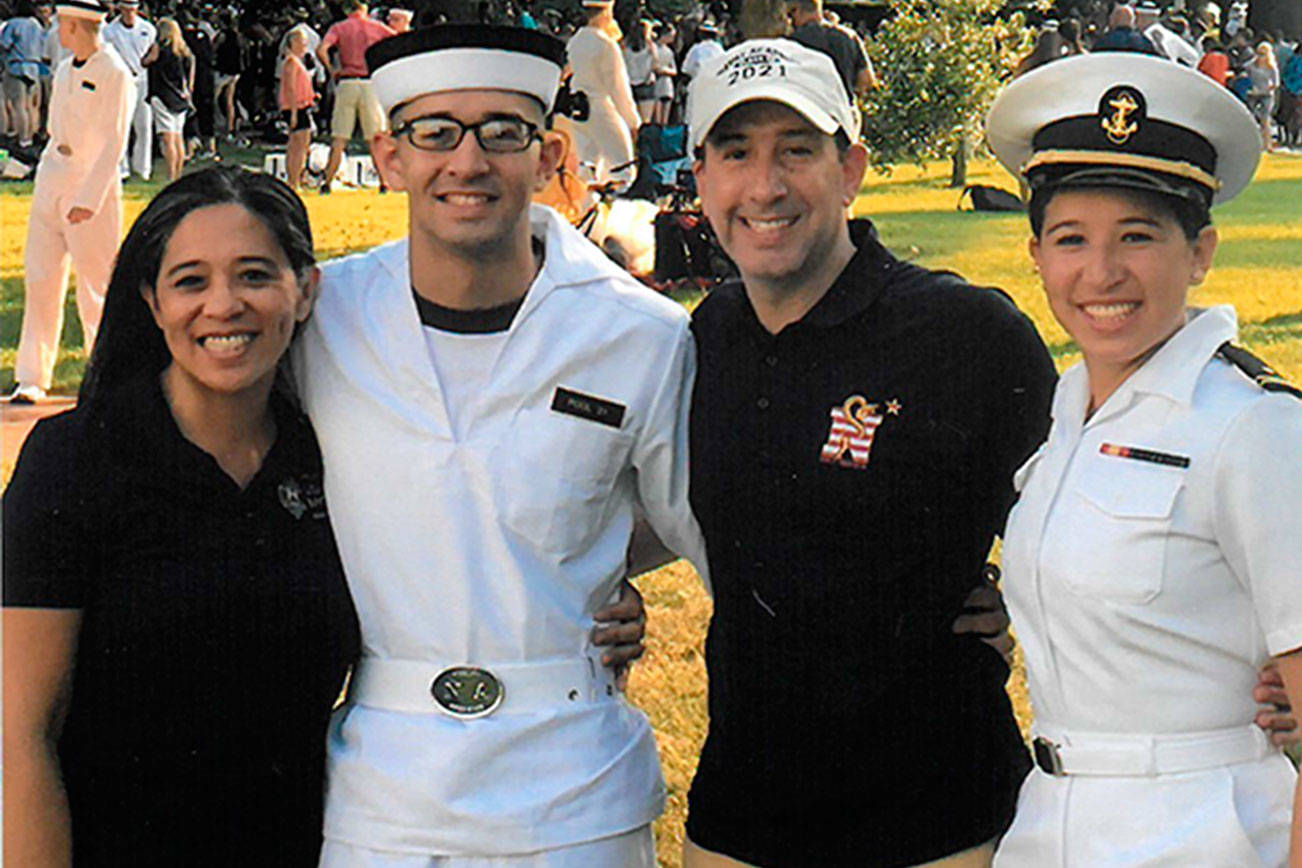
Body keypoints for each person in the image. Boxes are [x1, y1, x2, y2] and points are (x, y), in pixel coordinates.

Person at [298, 24, 706, 865]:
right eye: (435, 133)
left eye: (503, 132)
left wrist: (575, 565)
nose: (468, 162)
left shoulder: (637, 333)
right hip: (383, 788)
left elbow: (701, 521)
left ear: (550, 151)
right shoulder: (322, 318)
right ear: (389, 154)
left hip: (576, 786)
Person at [679, 38, 1058, 868]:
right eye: (736, 153)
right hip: (741, 816)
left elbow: (1091, 531)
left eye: (797, 151)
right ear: (701, 175)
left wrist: (1019, 612)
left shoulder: (969, 337)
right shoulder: (701, 339)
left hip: (938, 822)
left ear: (850, 168)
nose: (765, 186)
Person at [986, 50, 1302, 867]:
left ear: (1200, 253)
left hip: (1207, 833)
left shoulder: (1253, 428)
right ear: (1036, 257)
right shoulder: (1068, 410)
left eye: (1138, 236)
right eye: (1070, 238)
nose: (1102, 273)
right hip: (1050, 821)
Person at [3, 165, 360, 865]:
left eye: (255, 275)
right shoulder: (77, 460)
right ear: (152, 300)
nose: (223, 305)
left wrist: (604, 598)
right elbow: (20, 734)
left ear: (307, 290)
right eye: (191, 281)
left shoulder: (341, 460)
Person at [8, 0, 132, 405]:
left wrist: (88, 198)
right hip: (53, 177)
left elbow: (114, 142)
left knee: (96, 287)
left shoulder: (115, 72)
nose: (57, 31)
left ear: (78, 26)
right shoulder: (63, 70)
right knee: (41, 278)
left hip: (88, 184)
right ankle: (31, 376)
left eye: (63, 24)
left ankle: (106, 377)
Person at [314, 0, 391, 194]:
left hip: (347, 81)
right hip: (369, 82)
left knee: (339, 136)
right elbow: (397, 42)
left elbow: (321, 50)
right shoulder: (377, 28)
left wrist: (332, 70)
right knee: (375, 137)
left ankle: (327, 182)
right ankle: (384, 181)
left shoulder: (339, 28)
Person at [566, 0, 639, 188]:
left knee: (586, 166)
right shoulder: (605, 44)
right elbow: (618, 87)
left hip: (577, 109)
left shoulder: (574, 41)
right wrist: (633, 121)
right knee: (623, 166)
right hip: (600, 107)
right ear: (607, 13)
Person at [102, 0, 154, 180]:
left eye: (133, 6)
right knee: (121, 126)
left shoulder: (148, 28)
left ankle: (143, 169)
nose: (130, 10)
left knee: (144, 126)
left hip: (143, 80)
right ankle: (122, 168)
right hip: (119, 82)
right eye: (127, 6)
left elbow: (152, 54)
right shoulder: (109, 31)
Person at [786, 0, 877, 99]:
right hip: (841, 107)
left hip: (806, 105)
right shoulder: (849, 36)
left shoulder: (790, 42)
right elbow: (866, 80)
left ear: (796, 11)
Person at [146, 17, 193, 182]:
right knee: (178, 137)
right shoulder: (184, 52)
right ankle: (178, 174)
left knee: (168, 140)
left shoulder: (159, 49)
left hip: (162, 96)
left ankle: (170, 175)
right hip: (180, 98)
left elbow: (146, 62)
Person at [1, 1, 47, 148]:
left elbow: (4, 44)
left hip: (16, 67)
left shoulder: (13, 24)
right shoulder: (37, 26)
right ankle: (30, 136)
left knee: (18, 106)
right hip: (35, 67)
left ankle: (23, 139)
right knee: (31, 107)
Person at [281, 26, 315, 191]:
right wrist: (294, 112)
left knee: (299, 144)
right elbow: (291, 88)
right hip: (296, 107)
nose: (305, 46)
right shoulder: (291, 63)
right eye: (302, 42)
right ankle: (293, 180)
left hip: (301, 105)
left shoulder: (296, 62)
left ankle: (296, 179)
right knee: (299, 145)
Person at [621, 18, 657, 125]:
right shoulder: (649, 46)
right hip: (646, 83)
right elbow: (655, 63)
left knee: (630, 120)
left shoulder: (624, 46)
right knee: (646, 120)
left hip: (629, 84)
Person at [1247, 40, 1281, 149]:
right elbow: (1245, 73)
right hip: (1253, 93)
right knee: (1250, 117)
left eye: (1263, 54)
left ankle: (1267, 143)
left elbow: (1276, 83)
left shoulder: (1271, 67)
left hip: (1266, 93)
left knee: (1265, 118)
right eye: (1259, 53)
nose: (1260, 56)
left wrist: (1265, 90)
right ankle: (1251, 142)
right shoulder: (1252, 65)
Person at [651, 21, 676, 125]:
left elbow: (674, 70)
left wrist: (665, 70)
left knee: (665, 113)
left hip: (667, 83)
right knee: (657, 114)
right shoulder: (653, 48)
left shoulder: (669, 51)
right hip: (656, 83)